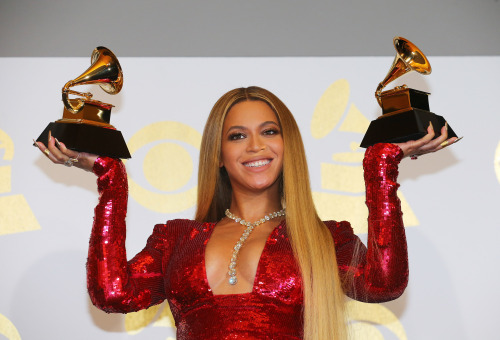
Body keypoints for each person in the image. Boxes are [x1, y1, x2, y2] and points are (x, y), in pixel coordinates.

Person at [35, 86, 459, 340]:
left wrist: (380, 168)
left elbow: (383, 285)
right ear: (219, 155)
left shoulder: (325, 238)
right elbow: (112, 294)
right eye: (238, 136)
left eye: (269, 132)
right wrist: (111, 181)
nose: (255, 146)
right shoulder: (175, 238)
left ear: (287, 145)